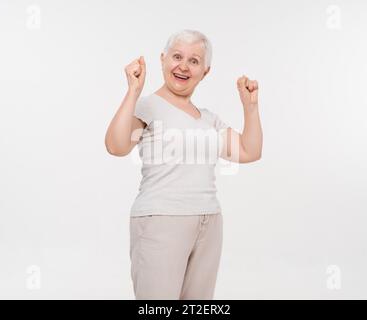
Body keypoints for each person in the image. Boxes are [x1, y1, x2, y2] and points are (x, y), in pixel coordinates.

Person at [105, 29, 263, 299]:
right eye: (177, 56)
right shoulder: (148, 106)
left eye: (194, 60)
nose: (183, 66)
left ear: (205, 71)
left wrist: (250, 107)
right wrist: (133, 91)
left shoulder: (209, 119)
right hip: (161, 220)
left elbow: (249, 151)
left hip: (209, 222)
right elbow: (116, 145)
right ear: (163, 60)